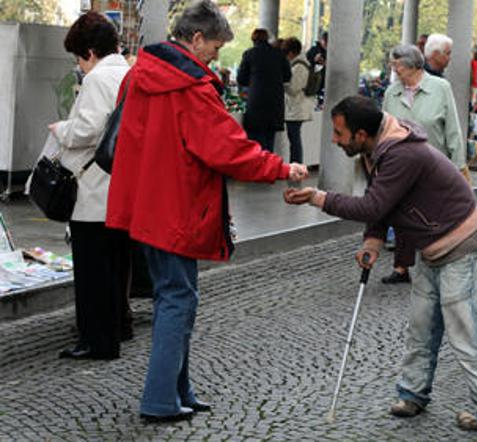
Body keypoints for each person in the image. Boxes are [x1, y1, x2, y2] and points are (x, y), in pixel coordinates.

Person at [106, 0, 308, 422]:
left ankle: (179, 389)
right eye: (215, 46)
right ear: (196, 38)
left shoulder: (139, 74)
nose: (217, 56)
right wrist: (281, 167)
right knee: (178, 299)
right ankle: (161, 399)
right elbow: (227, 149)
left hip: (145, 203)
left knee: (174, 296)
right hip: (177, 207)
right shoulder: (190, 86)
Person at [283, 95, 477, 437]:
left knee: (468, 337)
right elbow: (384, 203)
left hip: (461, 247)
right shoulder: (376, 150)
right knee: (421, 328)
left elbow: (372, 205)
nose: (334, 140)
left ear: (361, 134)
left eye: (338, 133)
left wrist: (318, 197)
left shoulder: (401, 153)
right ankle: (413, 394)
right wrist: (372, 240)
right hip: (433, 247)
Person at [49, 12, 132, 361]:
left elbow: (89, 129)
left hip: (95, 187)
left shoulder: (99, 79)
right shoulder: (129, 73)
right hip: (122, 185)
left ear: (90, 52)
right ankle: (117, 327)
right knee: (117, 266)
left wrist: (60, 129)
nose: (80, 66)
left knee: (92, 270)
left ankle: (96, 340)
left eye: (79, 58)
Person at [380, 44, 466, 284]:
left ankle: (438, 260)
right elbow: (385, 129)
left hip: (434, 163)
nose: (393, 69)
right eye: (392, 64)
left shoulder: (440, 88)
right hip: (400, 165)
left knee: (434, 215)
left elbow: (452, 129)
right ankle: (401, 267)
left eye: (396, 64)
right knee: (402, 215)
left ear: (412, 65)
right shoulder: (392, 92)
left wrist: (459, 165)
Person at [237, 28, 292, 152]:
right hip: (274, 105)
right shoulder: (279, 54)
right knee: (269, 142)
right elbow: (287, 76)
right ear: (267, 39)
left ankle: (257, 170)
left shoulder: (249, 54)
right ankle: (269, 169)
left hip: (256, 104)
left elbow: (241, 79)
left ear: (253, 40)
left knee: (254, 144)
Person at [282, 37, 313, 164]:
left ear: (291, 53)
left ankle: (296, 164)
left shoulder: (298, 67)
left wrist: (282, 83)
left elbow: (293, 89)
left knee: (294, 139)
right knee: (294, 138)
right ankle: (296, 163)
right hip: (298, 107)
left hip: (296, 109)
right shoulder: (302, 64)